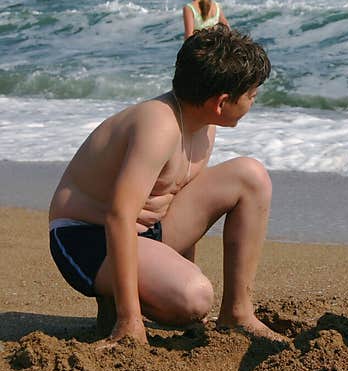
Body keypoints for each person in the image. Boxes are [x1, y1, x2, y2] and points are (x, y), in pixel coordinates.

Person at [48, 25, 285, 346]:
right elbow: (119, 216)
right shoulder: (159, 126)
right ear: (221, 102)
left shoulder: (204, 124)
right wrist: (130, 319)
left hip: (149, 231)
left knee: (252, 176)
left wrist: (178, 271)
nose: (253, 102)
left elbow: (177, 198)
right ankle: (118, 305)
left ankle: (238, 313)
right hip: (87, 237)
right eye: (252, 96)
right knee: (193, 299)